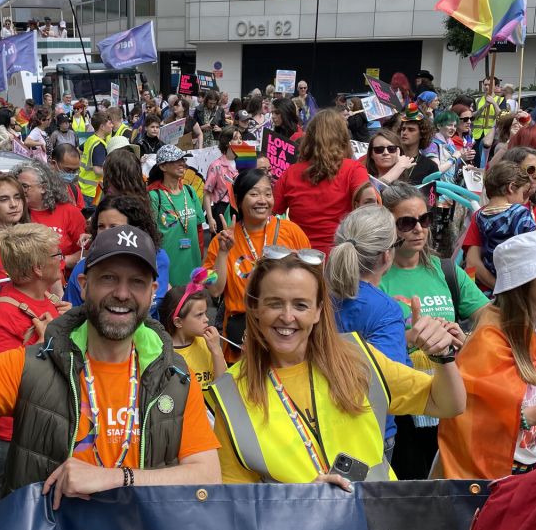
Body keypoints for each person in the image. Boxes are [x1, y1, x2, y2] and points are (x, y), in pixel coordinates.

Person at [0, 226, 222, 503]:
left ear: (152, 292)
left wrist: (115, 478)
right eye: (108, 278)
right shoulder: (33, 366)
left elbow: (208, 477)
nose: (122, 293)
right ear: (83, 284)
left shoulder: (175, 376)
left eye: (136, 282)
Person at [206, 246, 465, 485]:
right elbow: (238, 502)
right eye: (274, 303)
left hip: (379, 524)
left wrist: (442, 356)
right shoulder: (231, 392)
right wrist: (305, 499)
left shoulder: (358, 358)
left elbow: (448, 403)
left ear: (319, 311)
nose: (287, 316)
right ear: (255, 308)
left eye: (300, 305)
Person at [380, 182, 489, 478]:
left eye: (424, 219)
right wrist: (408, 341)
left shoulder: (445, 270)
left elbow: (489, 320)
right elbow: (360, 350)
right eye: (406, 222)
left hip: (451, 403)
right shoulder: (374, 278)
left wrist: (464, 339)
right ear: (387, 226)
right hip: (401, 408)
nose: (418, 229)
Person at [439, 232, 536, 479]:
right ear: (525, 281)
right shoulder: (490, 338)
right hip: (494, 476)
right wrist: (534, 416)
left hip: (524, 465)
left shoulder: (534, 328)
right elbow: (471, 419)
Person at [0, 224, 66, 496]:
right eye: (57, 255)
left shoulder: (47, 300)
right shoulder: (2, 314)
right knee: (18, 510)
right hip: (12, 436)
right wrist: (41, 347)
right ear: (38, 268)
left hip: (43, 430)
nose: (63, 260)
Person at [327, 205, 411, 461]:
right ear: (387, 256)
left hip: (317, 423)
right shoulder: (386, 309)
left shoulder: (314, 294)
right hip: (369, 430)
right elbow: (392, 383)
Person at [203, 167, 309, 355]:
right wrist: (223, 253)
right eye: (254, 194)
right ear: (238, 199)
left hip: (285, 330)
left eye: (268, 194)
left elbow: (311, 283)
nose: (263, 200)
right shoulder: (222, 240)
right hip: (242, 338)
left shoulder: (292, 232)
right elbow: (214, 290)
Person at [273, 110, 370, 254]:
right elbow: (370, 204)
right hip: (341, 259)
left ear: (309, 138)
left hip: (301, 259)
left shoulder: (291, 173)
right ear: (343, 137)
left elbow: (271, 210)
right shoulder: (354, 169)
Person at [64, 195, 170, 314]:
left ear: (135, 228)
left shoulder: (157, 258)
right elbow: (70, 314)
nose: (106, 232)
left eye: (114, 227)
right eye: (101, 226)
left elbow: (151, 307)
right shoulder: (83, 267)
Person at [464, 145, 536, 289]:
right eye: (531, 170)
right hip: (496, 295)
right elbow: (472, 264)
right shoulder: (484, 213)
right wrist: (504, 292)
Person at [148, 145, 207, 287]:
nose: (182, 163)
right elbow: (150, 236)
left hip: (192, 265)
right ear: (163, 167)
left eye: (183, 159)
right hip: (168, 269)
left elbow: (198, 228)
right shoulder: (154, 196)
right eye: (176, 160)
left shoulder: (190, 191)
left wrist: (200, 256)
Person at [14, 160, 87, 273]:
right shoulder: (14, 215)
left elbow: (85, 250)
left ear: (43, 188)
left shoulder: (69, 212)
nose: (19, 190)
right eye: (17, 186)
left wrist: (59, 262)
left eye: (25, 186)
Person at [474, 159, 536, 282]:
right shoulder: (518, 213)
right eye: (522, 193)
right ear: (511, 187)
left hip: (495, 274)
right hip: (517, 277)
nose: (522, 199)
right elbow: (534, 244)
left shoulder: (479, 215)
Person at [160, 279, 227, 393]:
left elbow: (224, 388)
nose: (207, 319)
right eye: (199, 315)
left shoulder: (208, 343)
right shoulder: (164, 353)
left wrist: (216, 350)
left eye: (205, 312)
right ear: (178, 322)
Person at [203, 127, 238, 233]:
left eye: (241, 138)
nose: (240, 141)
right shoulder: (216, 166)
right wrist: (210, 218)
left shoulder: (244, 163)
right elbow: (207, 193)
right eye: (236, 138)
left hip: (240, 208)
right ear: (228, 143)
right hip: (223, 209)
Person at [79, 110, 113, 205]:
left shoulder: (91, 139)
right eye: (110, 123)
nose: (112, 126)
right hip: (93, 192)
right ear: (102, 127)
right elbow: (97, 170)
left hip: (83, 188)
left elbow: (78, 150)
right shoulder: (99, 145)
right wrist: (114, 172)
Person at [396, 106, 438, 184]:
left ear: (421, 134)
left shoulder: (430, 167)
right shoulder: (391, 159)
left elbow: (433, 195)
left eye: (411, 130)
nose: (404, 133)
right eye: (403, 129)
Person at [51, 141, 84, 208]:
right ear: (53, 164)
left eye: (75, 170)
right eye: (68, 170)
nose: (71, 174)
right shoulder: (40, 191)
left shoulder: (75, 190)